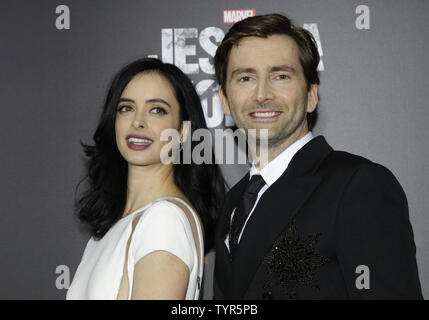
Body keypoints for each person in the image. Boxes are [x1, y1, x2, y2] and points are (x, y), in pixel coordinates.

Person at [213, 13, 422, 299]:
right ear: (225, 100)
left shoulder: (358, 186)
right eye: (246, 78)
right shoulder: (234, 201)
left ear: (311, 95)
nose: (262, 94)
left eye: (280, 76)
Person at [66, 58, 225, 300]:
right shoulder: (117, 225)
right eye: (126, 108)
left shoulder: (164, 220)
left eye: (157, 110)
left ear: (182, 132)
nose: (138, 121)